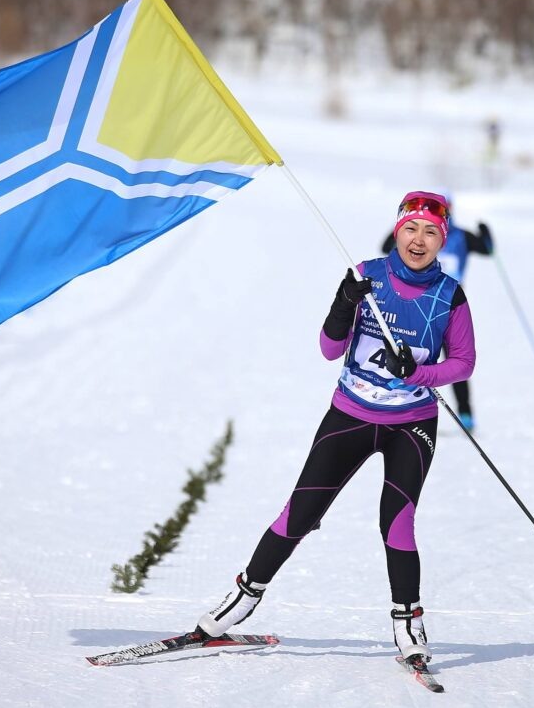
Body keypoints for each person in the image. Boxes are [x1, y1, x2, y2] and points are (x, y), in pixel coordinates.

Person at [196, 191, 476, 664]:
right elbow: (329, 349)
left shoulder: (449, 294)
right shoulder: (365, 274)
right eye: (412, 229)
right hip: (351, 414)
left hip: (412, 423)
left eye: (431, 232)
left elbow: (464, 363)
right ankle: (243, 598)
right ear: (398, 231)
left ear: (441, 240)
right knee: (301, 510)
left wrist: (419, 374)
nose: (419, 240)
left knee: (398, 520)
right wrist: (345, 304)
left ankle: (409, 623)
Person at [381, 196, 492, 428]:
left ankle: (465, 414)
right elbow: (385, 247)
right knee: (408, 354)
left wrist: (485, 232)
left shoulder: (461, 235)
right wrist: (402, 226)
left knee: (454, 361)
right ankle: (393, 404)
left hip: (448, 306)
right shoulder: (418, 236)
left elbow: (487, 249)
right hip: (417, 305)